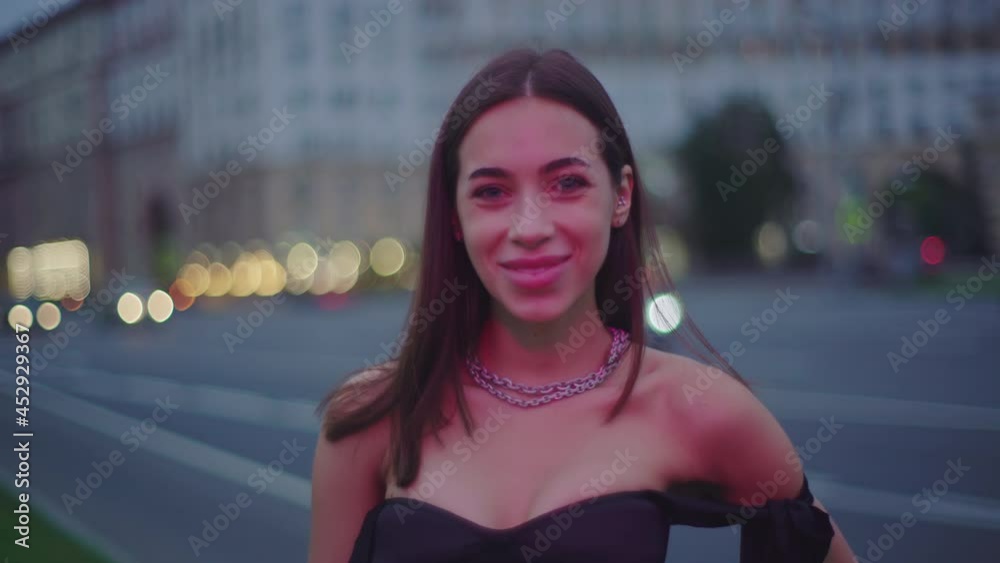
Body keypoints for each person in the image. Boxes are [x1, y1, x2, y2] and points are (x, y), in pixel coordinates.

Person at [308, 48, 856, 563]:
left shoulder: (699, 407)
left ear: (621, 196)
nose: (530, 228)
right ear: (454, 215)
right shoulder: (373, 417)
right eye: (492, 192)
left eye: (567, 183)